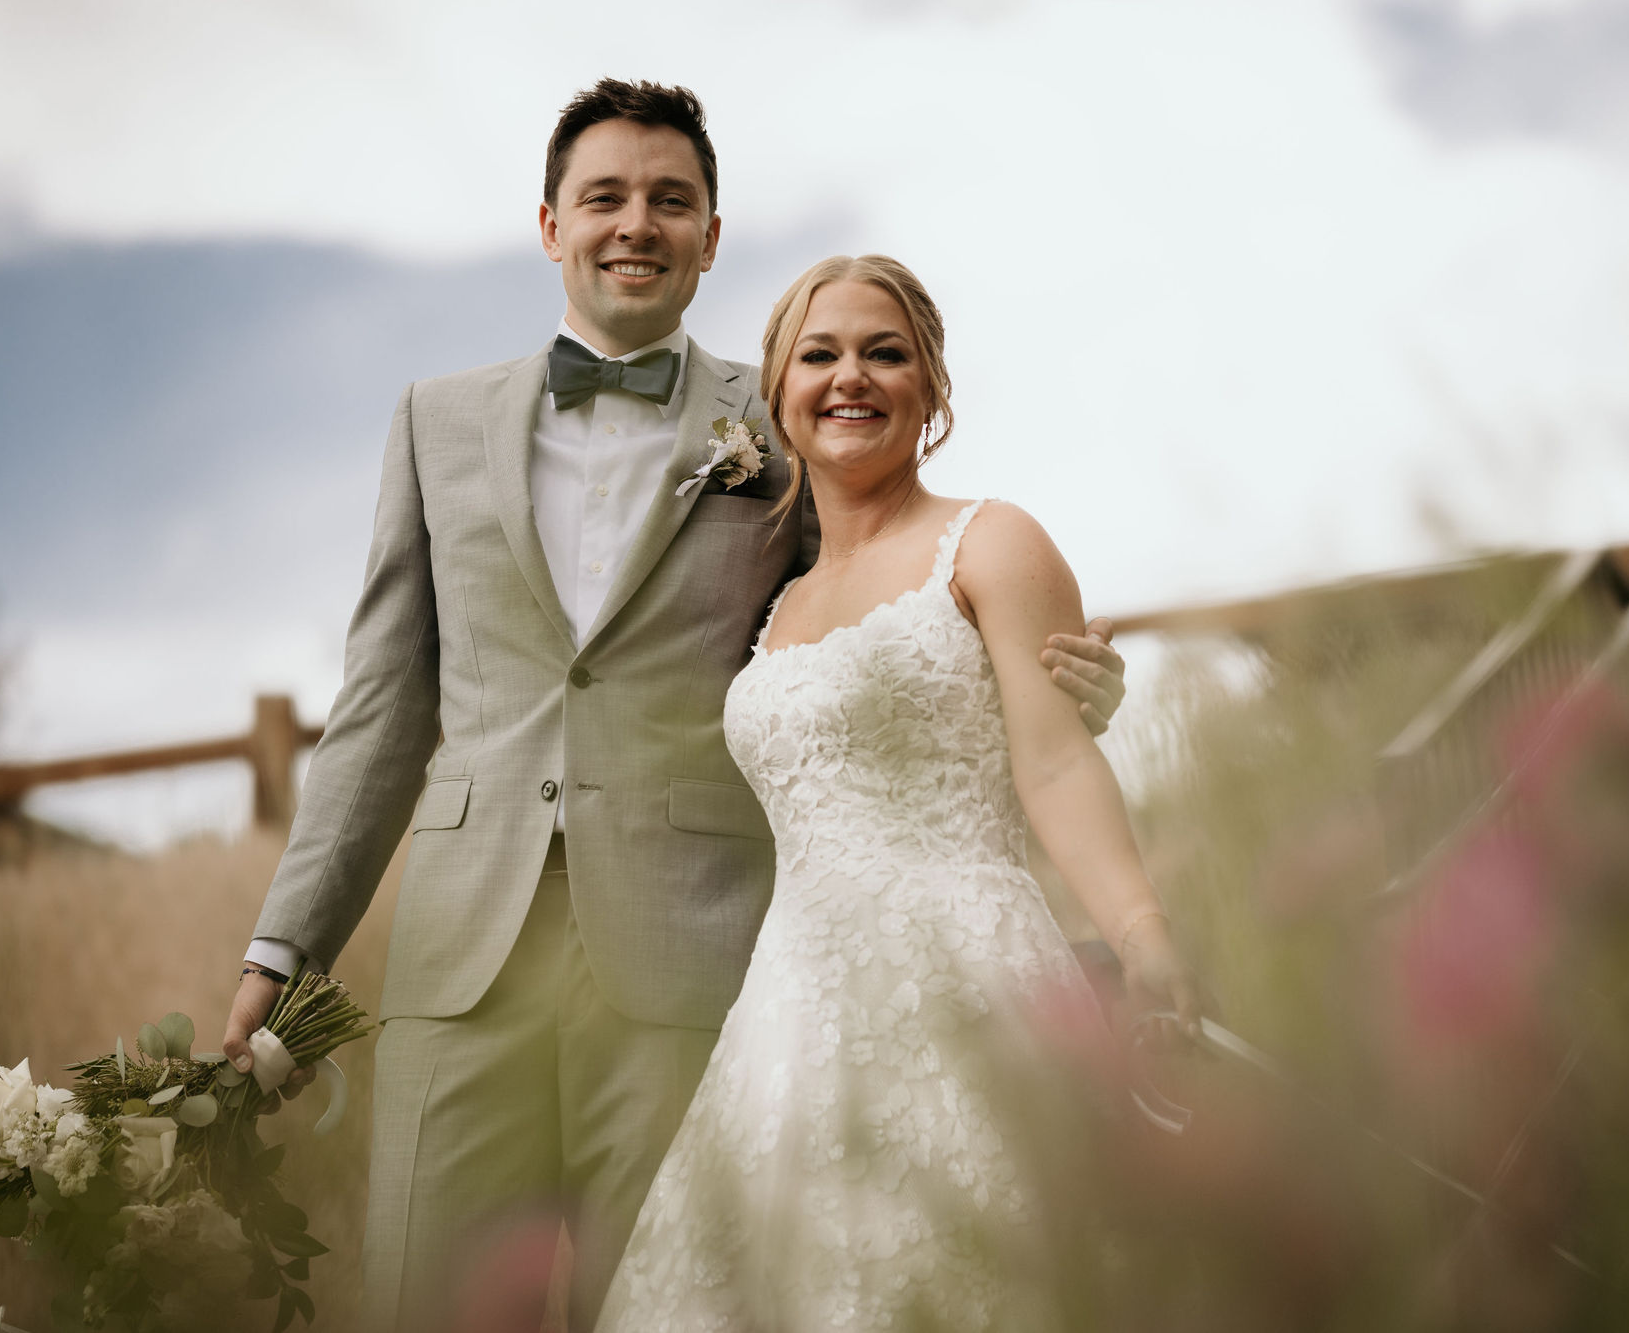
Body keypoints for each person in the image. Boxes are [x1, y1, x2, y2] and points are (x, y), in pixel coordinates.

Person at [214, 82, 1128, 1332]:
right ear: (549, 224)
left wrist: (1072, 683)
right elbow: (381, 706)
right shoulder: (434, 422)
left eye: (669, 200)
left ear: (708, 233)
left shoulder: (790, 408)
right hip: (458, 957)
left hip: (689, 959)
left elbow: (904, 591)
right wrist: (285, 944)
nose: (634, 223)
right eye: (604, 197)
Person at [598, 255, 1201, 1331]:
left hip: (967, 975)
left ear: (930, 390)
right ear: (778, 391)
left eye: (886, 353)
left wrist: (1140, 930)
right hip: (787, 1015)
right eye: (819, 355)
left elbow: (1055, 762)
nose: (851, 377)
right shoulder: (770, 601)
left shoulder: (991, 540)